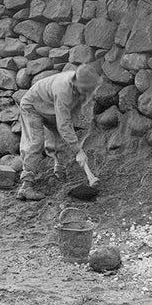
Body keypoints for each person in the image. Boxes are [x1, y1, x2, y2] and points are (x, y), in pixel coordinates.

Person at [15, 63, 102, 201]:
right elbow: (63, 124)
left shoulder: (81, 88)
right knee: (35, 142)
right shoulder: (63, 90)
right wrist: (78, 151)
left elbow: (71, 116)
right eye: (87, 89)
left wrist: (72, 138)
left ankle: (59, 170)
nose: (89, 92)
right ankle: (26, 185)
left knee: (62, 138)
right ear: (78, 83)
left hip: (50, 107)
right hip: (32, 106)